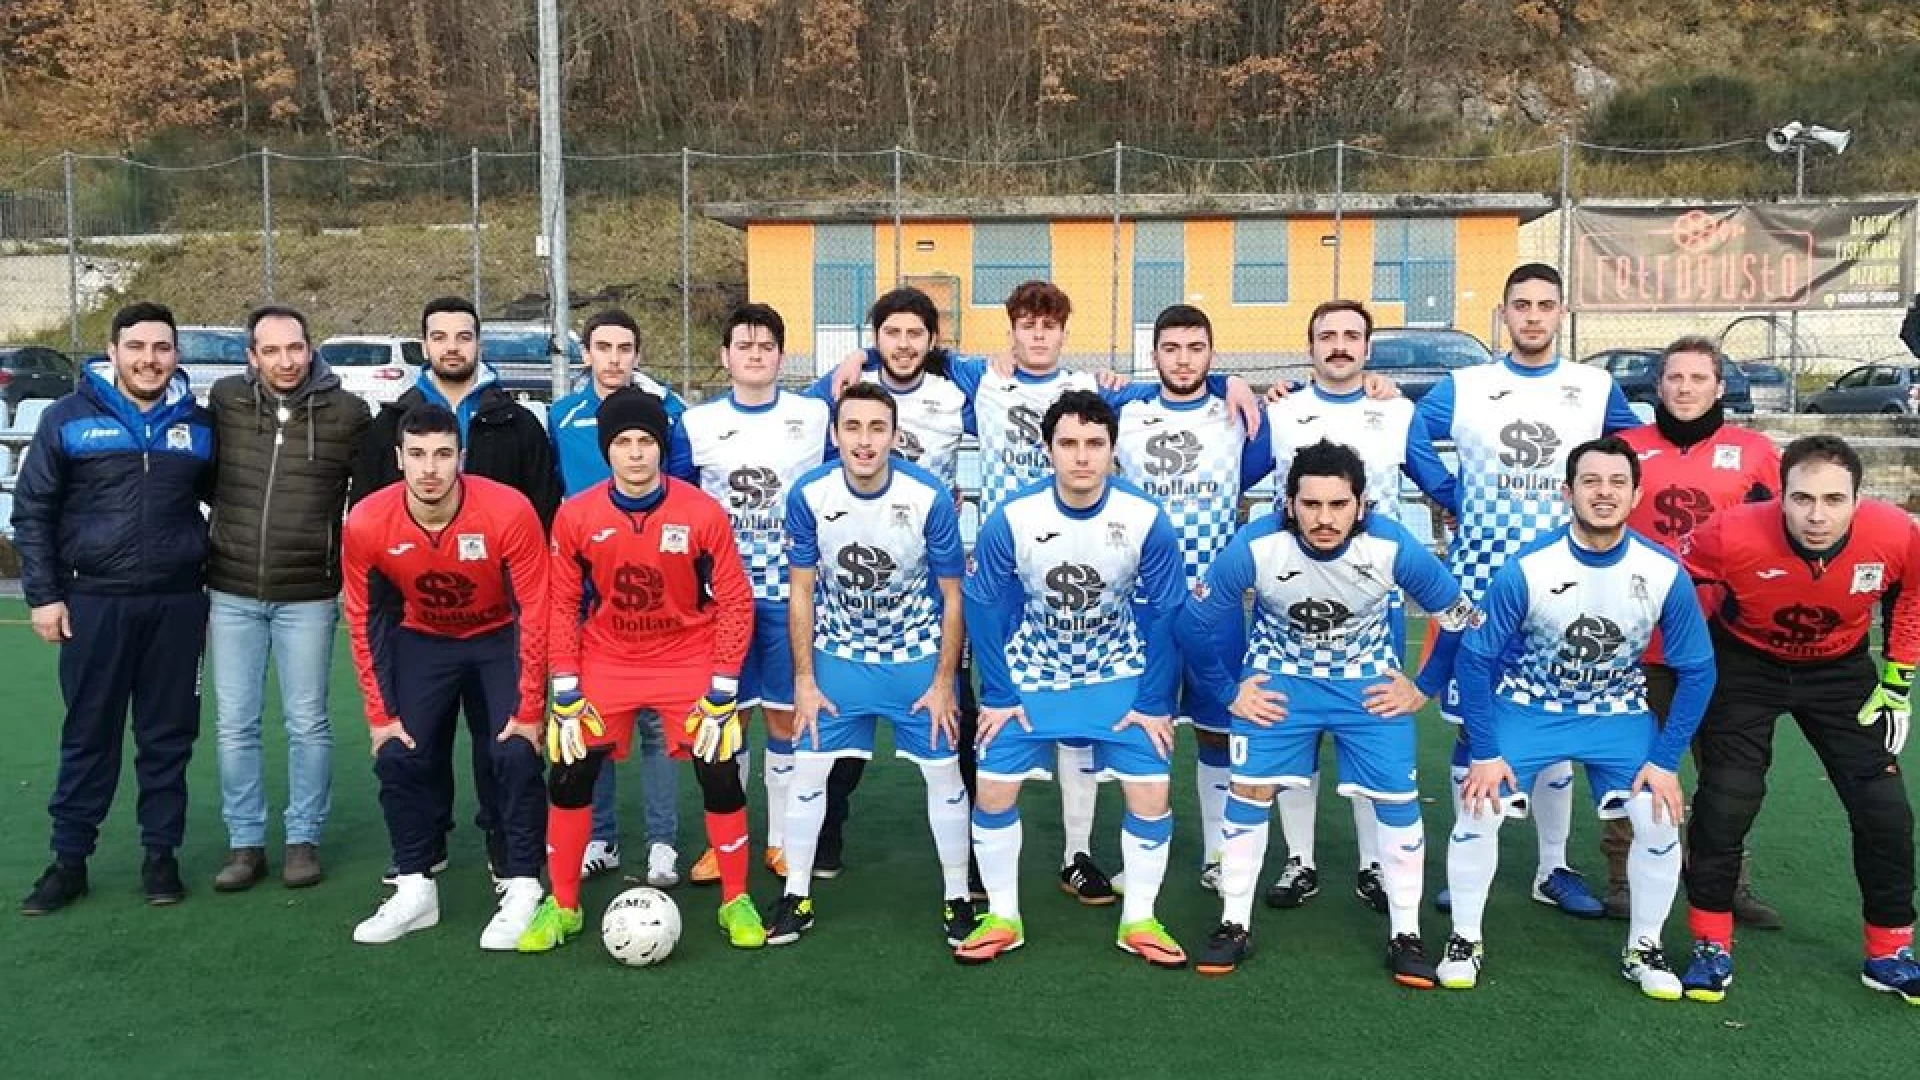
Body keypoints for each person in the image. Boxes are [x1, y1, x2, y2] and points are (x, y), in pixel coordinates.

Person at [831, 280, 1261, 904]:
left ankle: (1075, 854)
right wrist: (858, 361)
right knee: (985, 712)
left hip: (1084, 575)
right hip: (1007, 579)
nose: (1037, 335)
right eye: (1026, 325)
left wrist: (1228, 384)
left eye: (1049, 325)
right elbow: (912, 358)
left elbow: (1167, 391)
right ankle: (976, 862)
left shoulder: (1091, 388)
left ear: (1063, 332)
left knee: (1089, 709)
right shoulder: (981, 378)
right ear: (1009, 331)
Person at [1179, 439, 1474, 984]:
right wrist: (1228, 694)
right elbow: (1194, 622)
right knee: (1249, 795)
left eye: (1338, 505)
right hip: (1280, 684)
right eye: (1311, 505)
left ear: (1361, 506)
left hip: (1366, 688)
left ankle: (1404, 934)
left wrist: (1425, 687)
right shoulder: (1257, 544)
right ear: (1289, 504)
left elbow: (1458, 615)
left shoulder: (1393, 546)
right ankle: (1233, 923)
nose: (1324, 518)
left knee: (1396, 802)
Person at [1437, 436, 1715, 999]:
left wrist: (1664, 761)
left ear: (1636, 494)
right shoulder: (1530, 567)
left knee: (1658, 813)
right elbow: (1476, 658)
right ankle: (1464, 938)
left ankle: (1644, 946)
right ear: (1567, 492)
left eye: (1616, 482)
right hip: (1530, 706)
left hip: (1617, 711)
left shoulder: (1662, 571)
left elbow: (1699, 671)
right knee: (1479, 803)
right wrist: (1485, 751)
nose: (1604, 493)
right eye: (1591, 482)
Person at [1416, 263, 1642, 919]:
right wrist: (1450, 492)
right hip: (1481, 584)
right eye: (1522, 305)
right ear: (1504, 313)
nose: (1534, 316)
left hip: (1566, 587)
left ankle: (1552, 869)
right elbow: (1413, 440)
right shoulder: (1467, 384)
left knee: (1556, 717)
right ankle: (1467, 861)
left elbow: (1633, 451)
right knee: (1471, 727)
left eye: (1546, 304)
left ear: (1561, 312)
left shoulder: (1594, 386)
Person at [518, 387, 767, 953]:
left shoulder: (700, 511)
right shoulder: (577, 514)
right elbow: (561, 603)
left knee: (720, 767)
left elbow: (734, 597)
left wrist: (723, 684)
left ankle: (735, 899)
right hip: (608, 655)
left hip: (687, 653)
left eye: (647, 442)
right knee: (571, 768)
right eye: (624, 442)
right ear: (607, 451)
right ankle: (563, 906)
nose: (636, 453)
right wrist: (564, 686)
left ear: (662, 447)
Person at [1677, 435, 1920, 1006]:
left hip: (1840, 672)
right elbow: (1670, 578)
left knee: (1885, 809)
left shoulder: (1897, 533)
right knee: (1727, 798)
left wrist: (1898, 677)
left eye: (1834, 500)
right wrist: (1692, 651)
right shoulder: (1731, 531)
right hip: (1746, 662)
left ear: (1859, 499)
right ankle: (1711, 945)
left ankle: (1889, 951)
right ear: (1779, 496)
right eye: (1802, 498)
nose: (1817, 515)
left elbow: (1911, 594)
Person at [955, 390, 1189, 967]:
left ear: (1112, 451)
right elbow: (983, 603)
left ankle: (1139, 918)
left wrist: (1156, 701)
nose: (1081, 456)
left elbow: (1166, 611)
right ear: (1048, 450)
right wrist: (1001, 694)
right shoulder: (1013, 515)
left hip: (1119, 673)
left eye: (1094, 444)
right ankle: (1003, 915)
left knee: (1152, 795)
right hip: (1033, 673)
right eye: (1068, 444)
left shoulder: (1145, 519)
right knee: (992, 790)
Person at [351, 296, 561, 884]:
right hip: (421, 616)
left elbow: (539, 507)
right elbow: (372, 510)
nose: (451, 347)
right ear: (424, 345)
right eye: (439, 336)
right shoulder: (393, 418)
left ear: (477, 344)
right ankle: (425, 844)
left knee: (502, 739)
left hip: (499, 611)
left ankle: (506, 843)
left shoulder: (514, 419)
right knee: (420, 736)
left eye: (462, 336)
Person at [1257, 300, 1458, 913]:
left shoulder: (1395, 409)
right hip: (1289, 599)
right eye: (1327, 336)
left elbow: (1438, 482)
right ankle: (1300, 860)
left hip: (1374, 602)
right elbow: (1229, 473)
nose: (1339, 345)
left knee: (1371, 723)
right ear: (1310, 345)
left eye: (1351, 336)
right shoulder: (1282, 410)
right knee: (1293, 732)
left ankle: (1374, 864)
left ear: (1368, 348)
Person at [17, 302, 216, 915]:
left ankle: (161, 855)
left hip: (177, 606)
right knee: (88, 736)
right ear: (112, 351)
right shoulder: (66, 418)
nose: (149, 359)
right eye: (137, 347)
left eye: (162, 348)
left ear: (175, 355)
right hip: (93, 602)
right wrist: (45, 596)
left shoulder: (201, 426)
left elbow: (225, 504)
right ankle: (69, 861)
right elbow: (33, 513)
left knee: (168, 739)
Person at [766, 382, 971, 947]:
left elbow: (954, 595)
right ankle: (796, 897)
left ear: (894, 435)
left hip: (914, 660)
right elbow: (801, 591)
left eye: (876, 428)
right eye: (852, 427)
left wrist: (944, 682)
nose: (864, 440)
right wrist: (804, 680)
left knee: (943, 775)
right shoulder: (809, 494)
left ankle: (957, 899)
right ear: (835, 435)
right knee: (810, 772)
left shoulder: (928, 496)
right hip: (840, 659)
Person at [340, 405, 549, 948]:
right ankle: (414, 887)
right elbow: (363, 619)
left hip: (498, 636)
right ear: (398, 459)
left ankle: (524, 882)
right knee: (399, 750)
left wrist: (530, 709)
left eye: (441, 454)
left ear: (462, 457)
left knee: (512, 750)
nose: (429, 468)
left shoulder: (508, 511)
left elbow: (534, 608)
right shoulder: (366, 520)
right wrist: (379, 714)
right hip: (424, 637)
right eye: (416, 455)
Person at [1606, 335, 1781, 926]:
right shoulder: (1626, 447)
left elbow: (1781, 531)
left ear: (1719, 386)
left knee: (1726, 768)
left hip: (1725, 638)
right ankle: (1623, 878)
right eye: (1674, 378)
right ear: (1658, 387)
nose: (1685, 389)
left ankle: (1726, 879)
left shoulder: (1754, 452)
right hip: (1637, 635)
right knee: (1633, 760)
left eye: (1697, 378)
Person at [803, 287, 974, 881]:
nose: (904, 345)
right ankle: (826, 833)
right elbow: (795, 408)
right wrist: (842, 365)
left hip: (930, 582)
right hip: (859, 582)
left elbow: (1020, 386)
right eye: (891, 333)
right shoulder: (847, 386)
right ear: (874, 337)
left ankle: (970, 859)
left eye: (915, 334)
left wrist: (1223, 384)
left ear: (932, 341)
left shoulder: (958, 391)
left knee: (955, 716)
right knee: (840, 723)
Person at [205, 304, 370, 893]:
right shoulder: (225, 401)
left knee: (307, 722)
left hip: (308, 594)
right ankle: (244, 842)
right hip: (231, 589)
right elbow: (205, 477)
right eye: (270, 350)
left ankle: (304, 838)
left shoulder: (348, 412)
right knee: (236, 725)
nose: (284, 361)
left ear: (310, 348)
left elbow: (369, 499)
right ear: (252, 356)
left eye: (294, 348)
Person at [669, 303, 831, 885]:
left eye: (766, 346)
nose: (755, 354)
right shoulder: (696, 423)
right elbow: (680, 504)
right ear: (725, 356)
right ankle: (726, 840)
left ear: (781, 357)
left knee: (786, 720)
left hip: (793, 596)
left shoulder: (813, 415)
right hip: (723, 599)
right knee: (725, 724)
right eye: (744, 345)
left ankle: (783, 841)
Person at [1114, 304, 1273, 893]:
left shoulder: (1239, 416)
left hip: (1215, 605)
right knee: (1142, 725)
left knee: (1216, 730)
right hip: (1142, 604)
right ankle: (1140, 854)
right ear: (1154, 355)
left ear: (1212, 353)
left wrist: (1241, 388)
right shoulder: (1125, 412)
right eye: (1171, 348)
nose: (1184, 359)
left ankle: (1214, 854)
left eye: (1196, 348)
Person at [548, 309, 687, 889]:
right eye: (602, 347)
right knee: (591, 718)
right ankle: (600, 837)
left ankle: (662, 844)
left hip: (651, 589)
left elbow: (682, 488)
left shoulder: (667, 410)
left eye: (624, 347)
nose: (613, 357)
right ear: (586, 354)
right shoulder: (562, 415)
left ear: (636, 353)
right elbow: (553, 490)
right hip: (584, 586)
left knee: (656, 725)